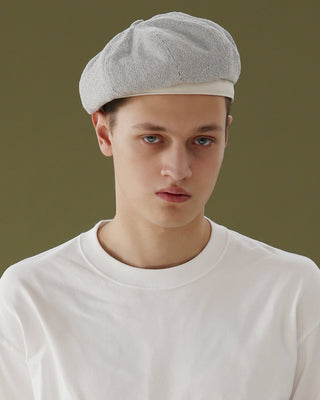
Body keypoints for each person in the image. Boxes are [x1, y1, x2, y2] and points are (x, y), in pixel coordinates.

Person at [0, 11, 319, 400]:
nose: (178, 169)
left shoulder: (291, 291)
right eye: (152, 138)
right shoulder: (31, 296)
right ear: (105, 133)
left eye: (203, 140)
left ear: (226, 135)